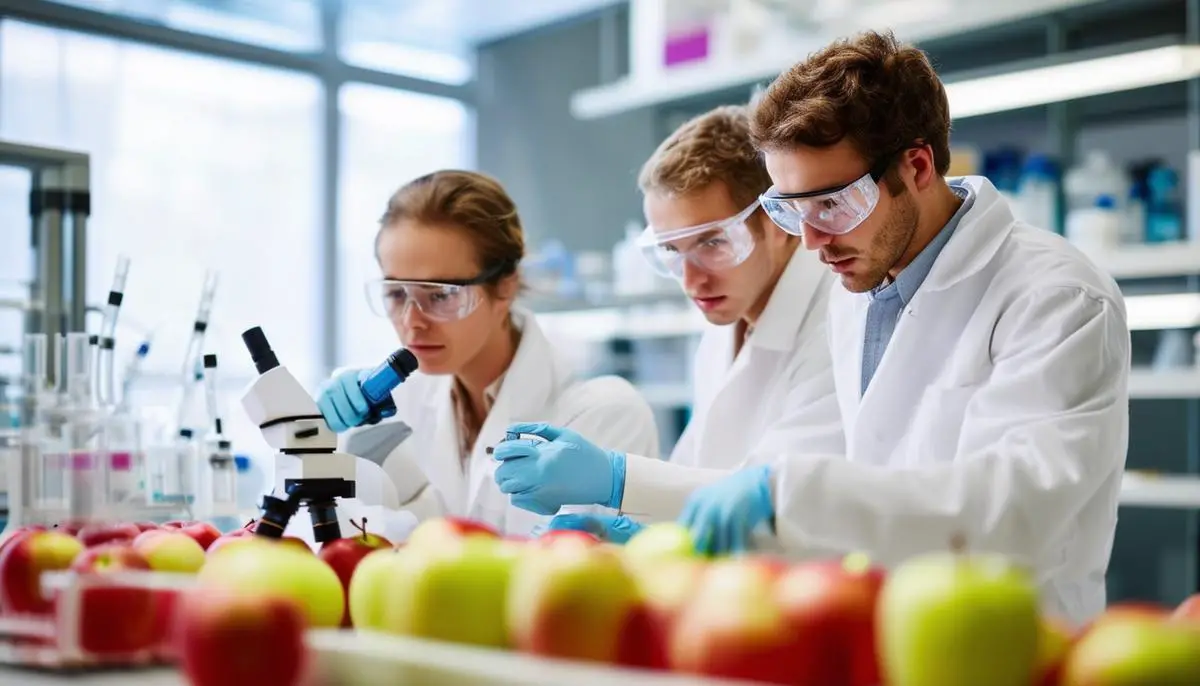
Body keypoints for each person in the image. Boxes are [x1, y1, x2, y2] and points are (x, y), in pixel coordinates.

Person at [587, 31, 1129, 625]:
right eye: (790, 209)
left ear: (916, 166)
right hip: (890, 633)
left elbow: (1015, 514)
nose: (812, 240)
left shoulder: (1055, 297)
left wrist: (787, 493)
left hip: (1014, 644)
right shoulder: (859, 292)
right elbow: (870, 503)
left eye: (832, 204)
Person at [490, 105, 843, 535]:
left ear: (779, 222)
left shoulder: (837, 319)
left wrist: (616, 478)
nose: (691, 279)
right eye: (672, 251)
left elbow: (781, 497)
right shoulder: (726, 322)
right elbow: (697, 471)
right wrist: (627, 531)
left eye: (713, 242)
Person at [314, 170, 660, 537]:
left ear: (505, 288)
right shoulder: (400, 404)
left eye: (441, 295)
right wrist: (319, 436)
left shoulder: (603, 416)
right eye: (397, 294)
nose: (412, 322)